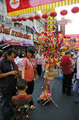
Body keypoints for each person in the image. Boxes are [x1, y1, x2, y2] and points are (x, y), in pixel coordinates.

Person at [0, 48, 18, 120]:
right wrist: (10, 73)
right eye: (12, 56)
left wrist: (15, 74)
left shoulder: (12, 62)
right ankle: (5, 117)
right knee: (5, 103)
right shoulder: (1, 62)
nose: (13, 58)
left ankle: (10, 113)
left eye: (14, 57)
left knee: (11, 101)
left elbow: (13, 70)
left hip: (12, 85)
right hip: (5, 86)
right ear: (7, 55)